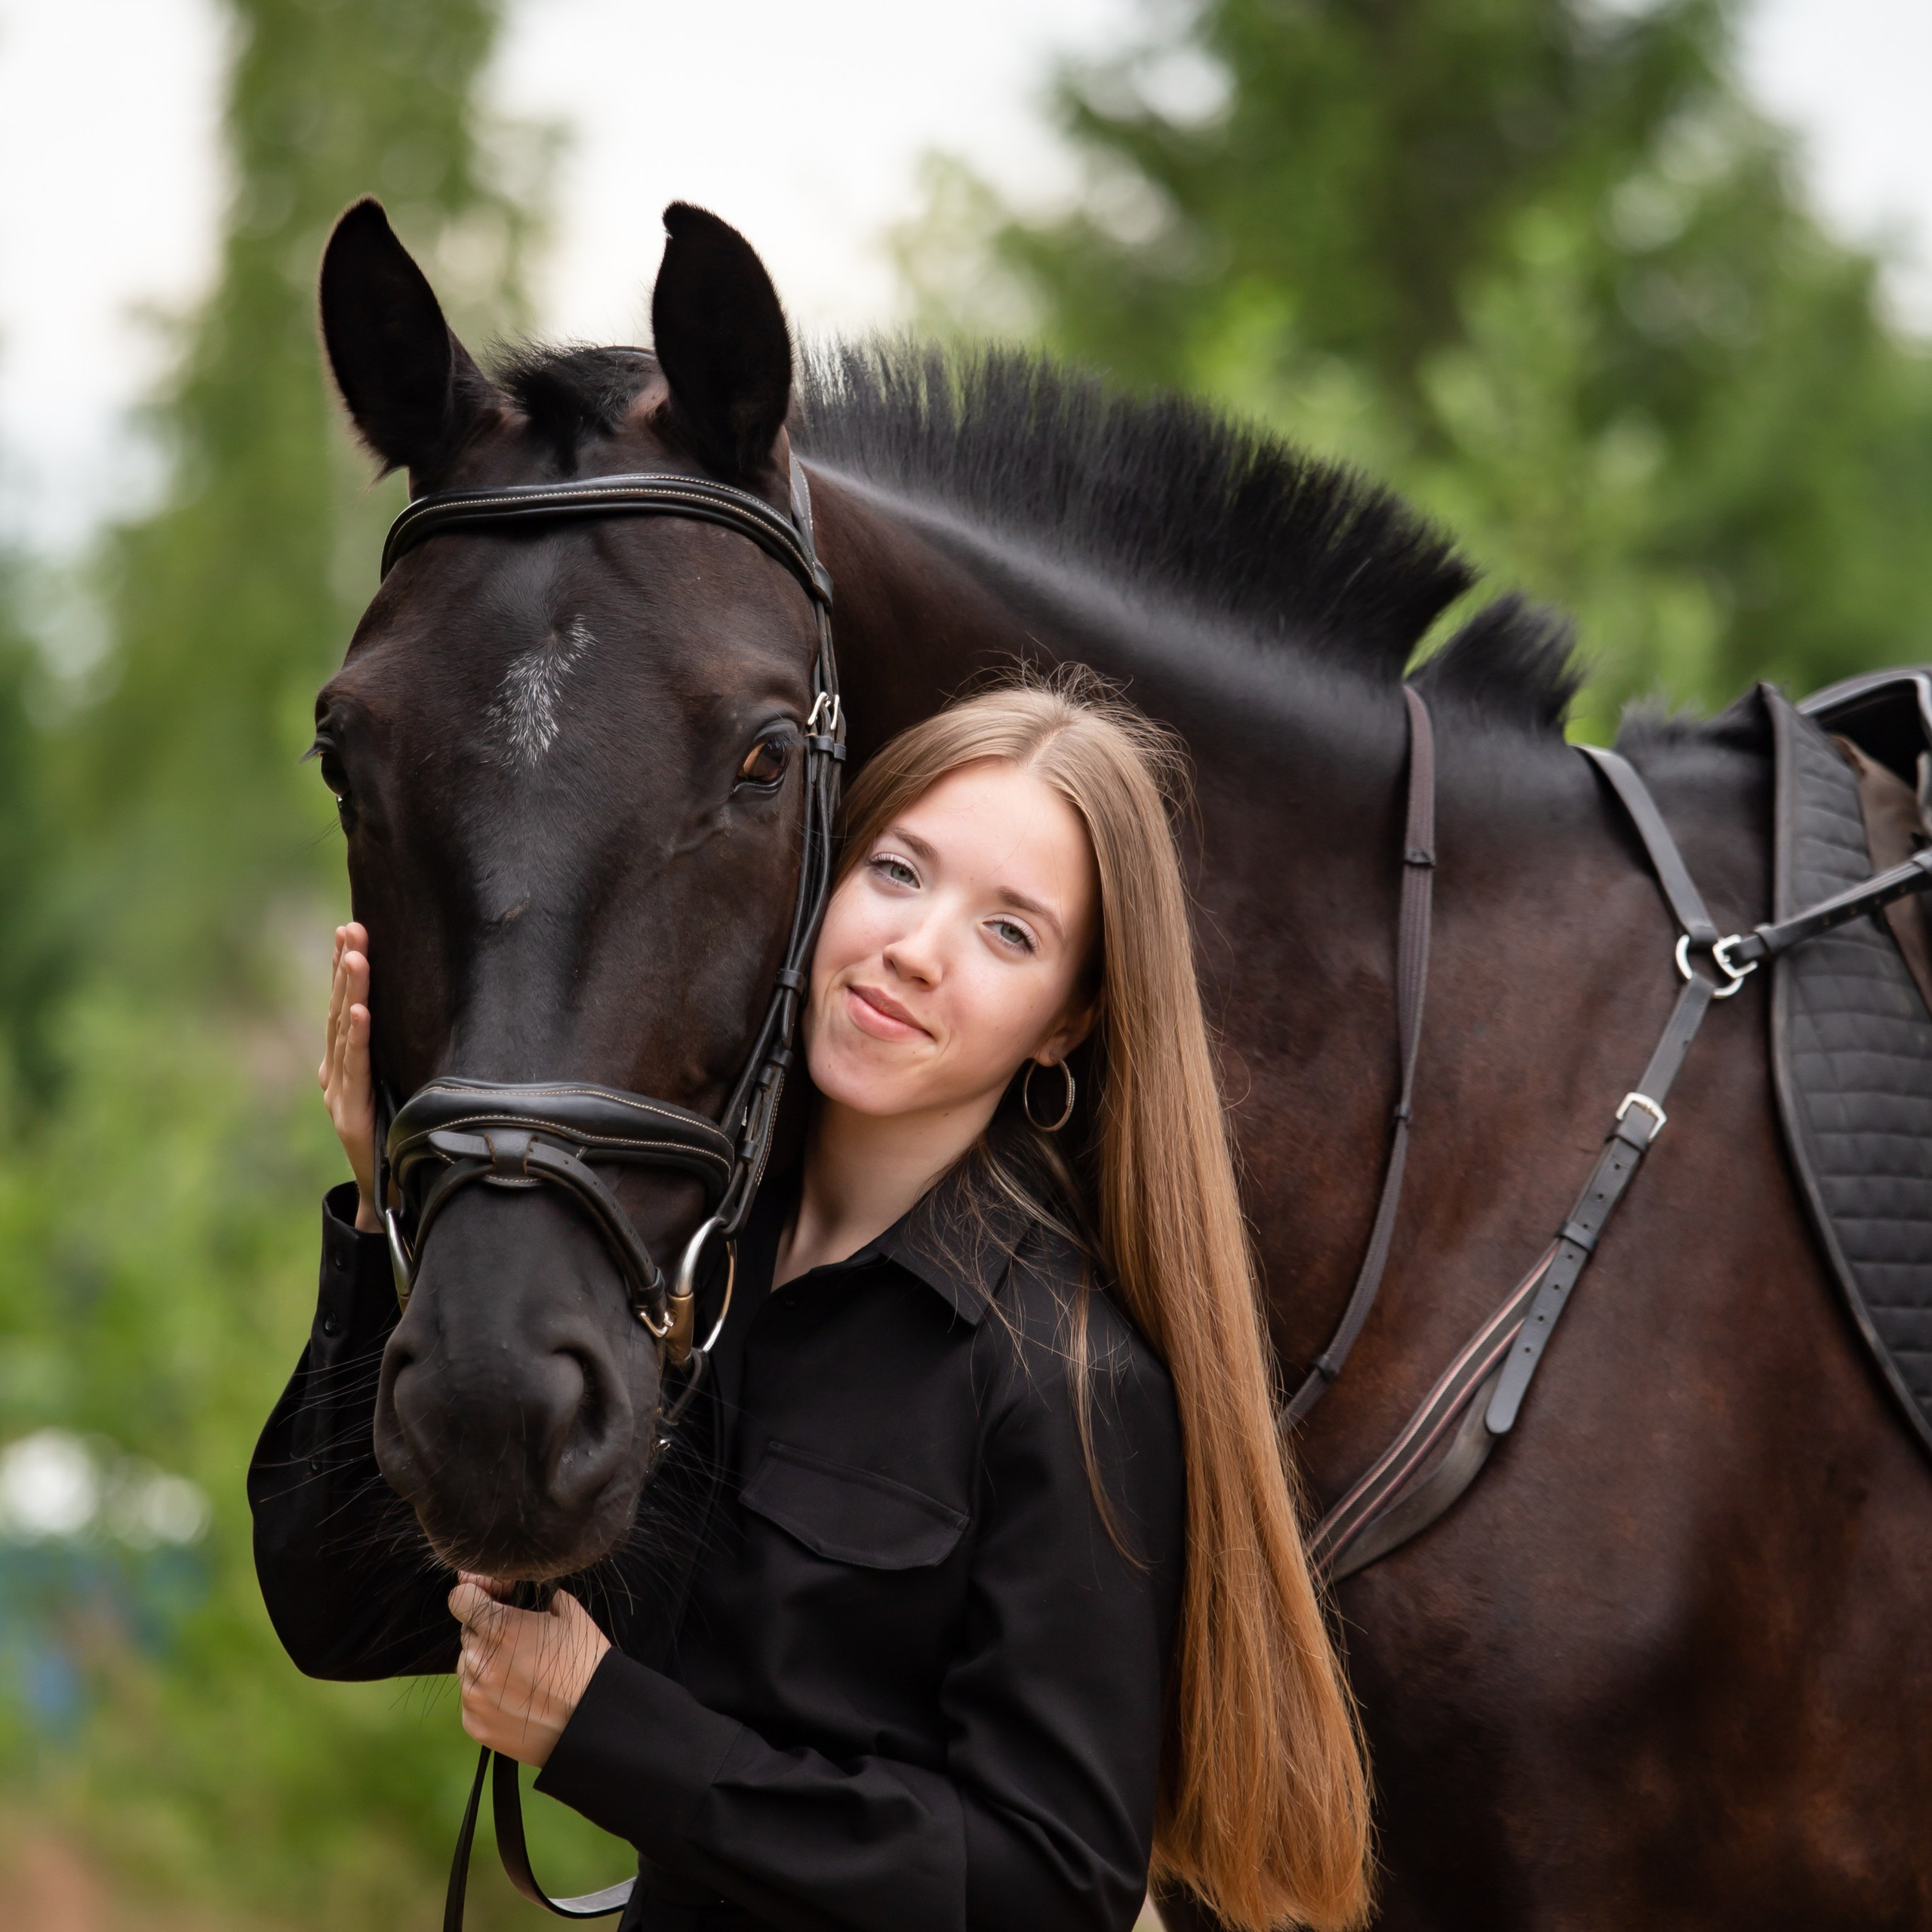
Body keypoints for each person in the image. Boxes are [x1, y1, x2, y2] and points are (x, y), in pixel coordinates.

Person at [251, 674, 1371, 1932]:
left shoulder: (1064, 1381)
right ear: (821, 883)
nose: (918, 947)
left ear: (1069, 1023)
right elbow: (339, 1609)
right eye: (899, 872)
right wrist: (379, 1205)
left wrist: (612, 1730)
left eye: (1012, 933)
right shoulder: (678, 1264)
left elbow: (1048, 1892)